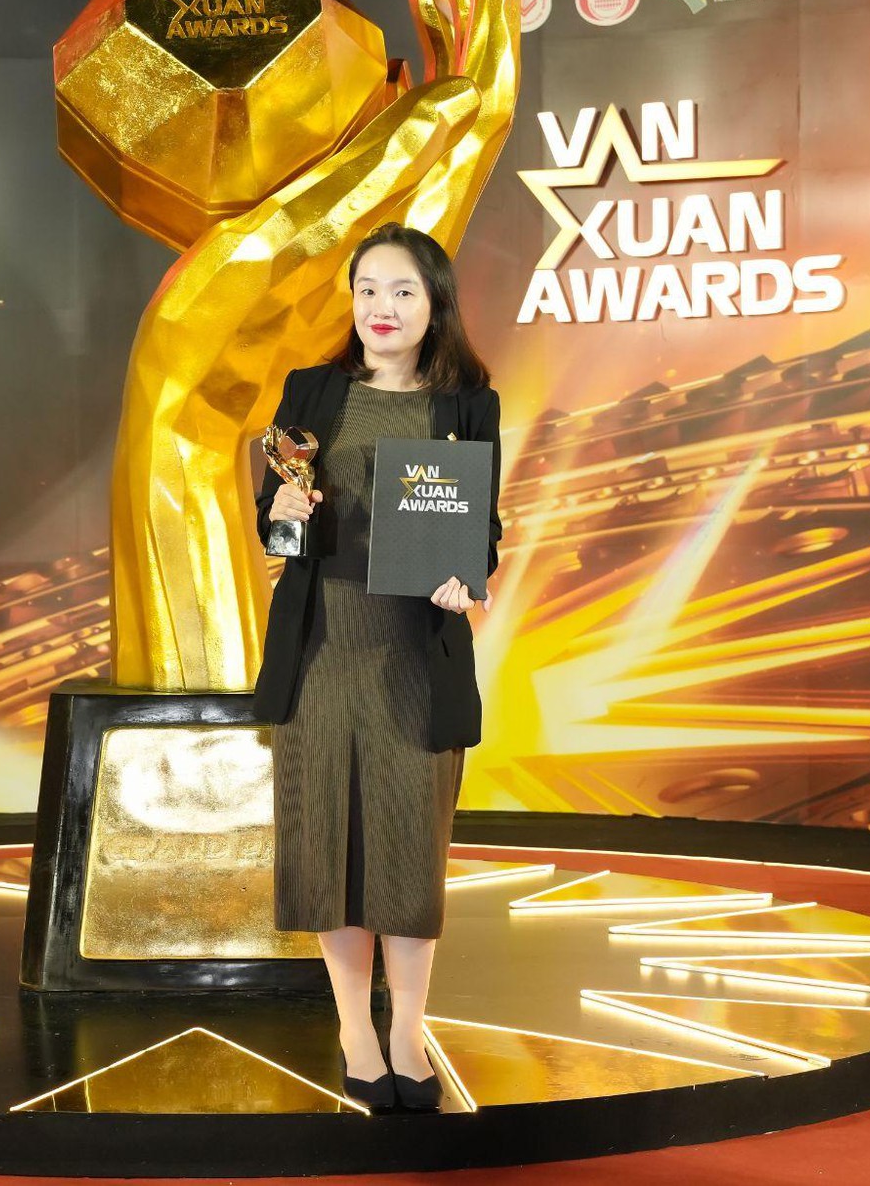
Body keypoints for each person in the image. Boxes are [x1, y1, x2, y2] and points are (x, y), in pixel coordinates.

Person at [250, 221, 502, 1114]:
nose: (381, 307)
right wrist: (281, 514)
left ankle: (408, 1032)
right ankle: (356, 1030)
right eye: (367, 290)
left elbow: (482, 530)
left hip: (413, 652)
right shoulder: (312, 391)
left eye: (402, 291)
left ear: (435, 306)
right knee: (329, 839)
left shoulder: (468, 404)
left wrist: (465, 578)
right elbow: (277, 523)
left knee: (406, 844)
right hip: (322, 646)